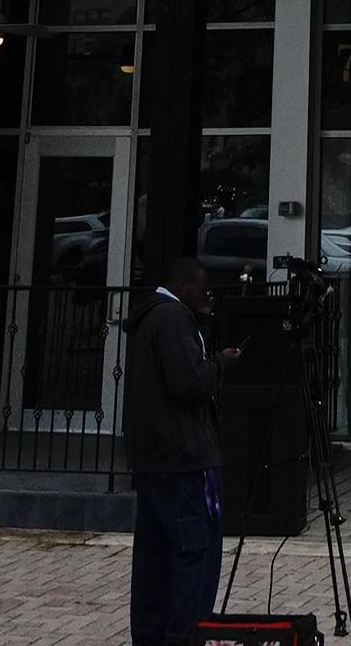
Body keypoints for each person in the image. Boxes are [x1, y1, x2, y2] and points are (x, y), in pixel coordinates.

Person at [125, 256, 228, 646]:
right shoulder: (172, 319)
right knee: (195, 551)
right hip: (185, 459)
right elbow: (188, 381)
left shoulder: (147, 318)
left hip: (152, 459)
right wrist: (221, 366)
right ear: (184, 283)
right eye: (203, 288)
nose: (209, 296)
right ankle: (186, 635)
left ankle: (150, 635)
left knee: (153, 555)